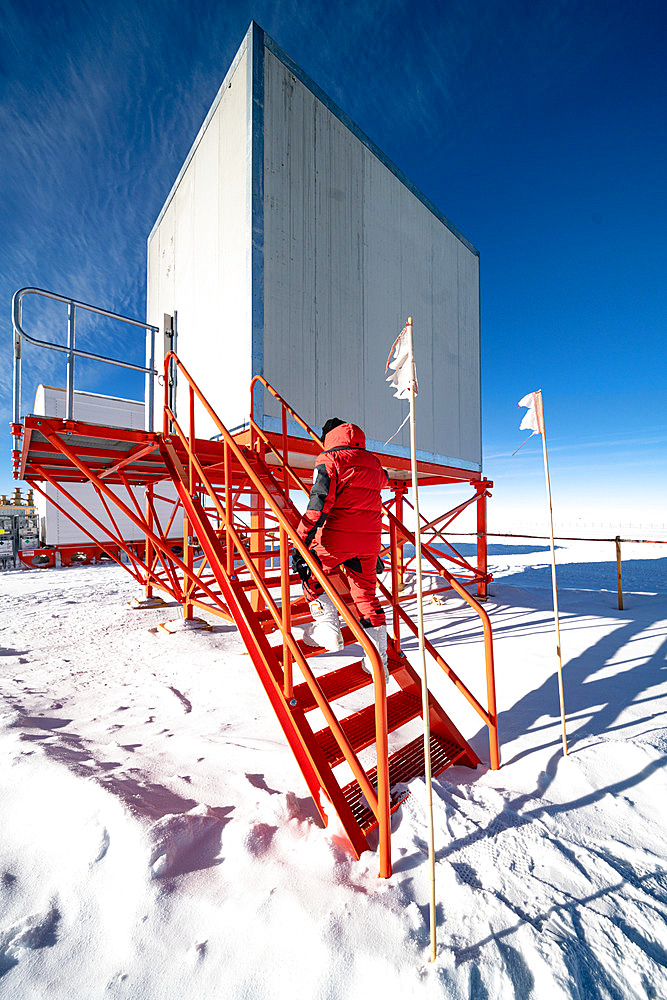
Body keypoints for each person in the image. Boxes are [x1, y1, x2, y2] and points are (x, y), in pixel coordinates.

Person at [292, 417, 389, 679]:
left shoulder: (328, 459)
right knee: (366, 595)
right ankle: (378, 658)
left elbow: (319, 502)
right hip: (369, 541)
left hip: (335, 540)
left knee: (309, 573)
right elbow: (384, 481)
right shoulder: (374, 462)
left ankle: (327, 628)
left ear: (328, 437)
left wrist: (301, 539)